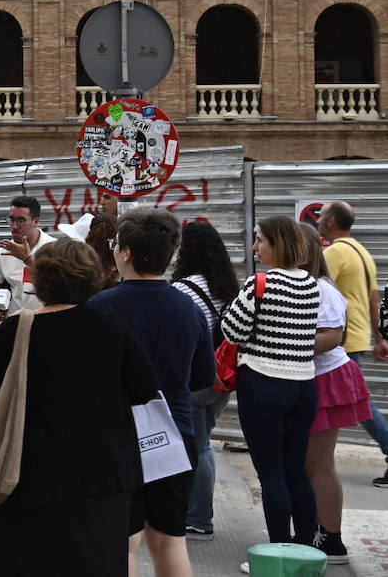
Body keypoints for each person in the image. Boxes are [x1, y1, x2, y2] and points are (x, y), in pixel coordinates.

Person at [0, 239, 160, 576]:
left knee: (30, 562)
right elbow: (145, 388)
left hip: (33, 472)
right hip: (105, 472)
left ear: (39, 282)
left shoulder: (20, 328)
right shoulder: (112, 328)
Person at [90, 208, 211, 577]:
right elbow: (203, 376)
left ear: (124, 252)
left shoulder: (101, 308)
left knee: (123, 541)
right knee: (170, 539)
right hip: (176, 434)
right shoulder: (189, 307)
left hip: (117, 436)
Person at [221, 215, 321, 545]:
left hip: (264, 384)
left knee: (271, 472)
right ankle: (307, 547)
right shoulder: (310, 284)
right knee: (296, 468)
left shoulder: (261, 283)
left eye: (260, 239)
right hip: (304, 385)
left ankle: (278, 550)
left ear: (277, 244)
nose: (254, 246)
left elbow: (232, 330)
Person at [299, 223, 370, 564]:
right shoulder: (311, 285)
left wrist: (282, 343)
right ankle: (319, 531)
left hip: (327, 378)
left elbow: (332, 337)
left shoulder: (321, 289)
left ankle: (331, 540)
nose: (257, 248)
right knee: (311, 463)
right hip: (318, 377)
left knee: (319, 463)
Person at [167, 220, 240, 542]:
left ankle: (198, 518)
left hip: (194, 378)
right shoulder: (226, 285)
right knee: (203, 443)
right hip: (220, 381)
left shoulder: (184, 288)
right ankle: (194, 512)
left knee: (199, 446)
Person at [318, 200, 388, 486]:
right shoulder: (362, 252)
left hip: (340, 337)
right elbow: (375, 298)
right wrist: (379, 336)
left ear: (332, 222)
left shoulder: (334, 253)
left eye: (321, 216)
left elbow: (316, 289)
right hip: (357, 335)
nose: (318, 220)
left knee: (359, 403)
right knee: (356, 400)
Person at [0, 195, 54, 314]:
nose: (14, 226)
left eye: (21, 220)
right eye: (11, 220)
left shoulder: (54, 248)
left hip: (49, 320)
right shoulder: (1, 253)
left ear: (36, 221)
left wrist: (26, 258)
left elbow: (63, 287)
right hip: (16, 322)